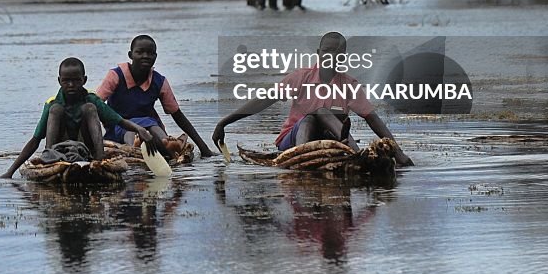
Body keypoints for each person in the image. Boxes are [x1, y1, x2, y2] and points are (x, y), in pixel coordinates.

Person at [212, 32, 413, 167]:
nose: (331, 56)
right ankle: (306, 157)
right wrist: (224, 122)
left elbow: (373, 118)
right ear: (318, 53)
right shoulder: (301, 77)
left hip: (330, 140)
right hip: (293, 141)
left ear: (343, 58)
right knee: (316, 114)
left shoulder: (349, 84)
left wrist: (398, 153)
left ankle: (356, 156)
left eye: (337, 52)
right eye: (327, 51)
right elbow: (263, 100)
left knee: (330, 117)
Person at [0, 57, 157, 178]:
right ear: (59, 81)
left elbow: (119, 120)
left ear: (84, 80)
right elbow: (35, 140)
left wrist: (140, 129)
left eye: (76, 80)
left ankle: (99, 156)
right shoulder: (52, 103)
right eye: (66, 81)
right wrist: (10, 171)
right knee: (56, 110)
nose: (71, 85)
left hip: (85, 151)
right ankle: (50, 157)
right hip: (59, 151)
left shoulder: (91, 99)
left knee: (89, 108)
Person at [96, 35, 214, 158]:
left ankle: (168, 143)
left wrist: (203, 147)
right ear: (130, 55)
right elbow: (96, 104)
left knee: (153, 125)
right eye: (140, 52)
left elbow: (177, 114)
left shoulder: (159, 81)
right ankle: (133, 149)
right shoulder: (116, 75)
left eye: (150, 53)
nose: (145, 56)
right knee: (132, 129)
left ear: (155, 57)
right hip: (120, 127)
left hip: (150, 128)